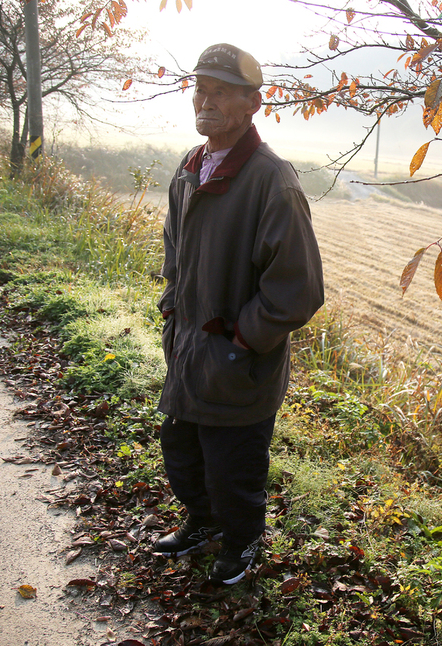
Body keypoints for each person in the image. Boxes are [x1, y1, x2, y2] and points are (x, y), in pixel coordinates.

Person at [152, 43, 324, 586]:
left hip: (237, 362)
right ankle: (201, 525)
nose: (206, 100)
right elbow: (175, 250)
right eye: (201, 88)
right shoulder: (191, 167)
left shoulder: (272, 180)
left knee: (235, 470)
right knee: (182, 455)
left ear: (253, 103)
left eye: (221, 91)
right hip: (188, 351)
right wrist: (172, 311)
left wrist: (239, 342)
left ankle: (242, 544)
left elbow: (297, 290)